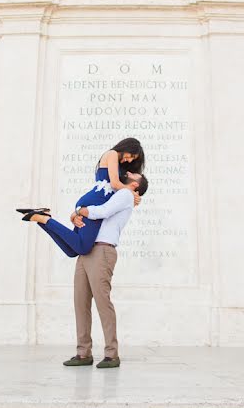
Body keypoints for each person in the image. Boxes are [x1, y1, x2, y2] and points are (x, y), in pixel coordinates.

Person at [25, 171, 148, 369]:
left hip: (103, 251)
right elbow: (94, 210)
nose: (128, 172)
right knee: (80, 302)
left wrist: (80, 210)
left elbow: (102, 212)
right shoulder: (117, 193)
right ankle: (83, 353)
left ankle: (111, 354)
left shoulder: (125, 195)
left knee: (102, 302)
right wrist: (76, 214)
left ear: (135, 186)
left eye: (134, 174)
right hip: (87, 249)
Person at [17, 138, 145, 257]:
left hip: (92, 203)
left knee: (72, 251)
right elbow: (114, 184)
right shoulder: (112, 154)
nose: (130, 160)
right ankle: (46, 219)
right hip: (95, 203)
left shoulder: (119, 165)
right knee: (83, 248)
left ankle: (42, 219)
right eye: (131, 156)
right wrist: (131, 192)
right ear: (128, 147)